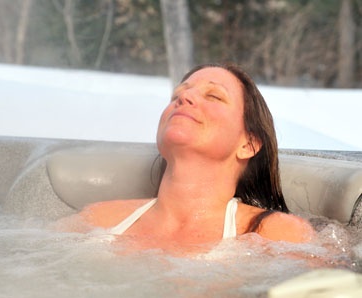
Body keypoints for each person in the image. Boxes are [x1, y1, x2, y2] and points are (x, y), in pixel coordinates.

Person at [73, 63, 315, 253]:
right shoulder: (97, 221)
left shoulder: (278, 235)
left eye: (213, 96)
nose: (183, 98)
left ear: (248, 143)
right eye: (178, 94)